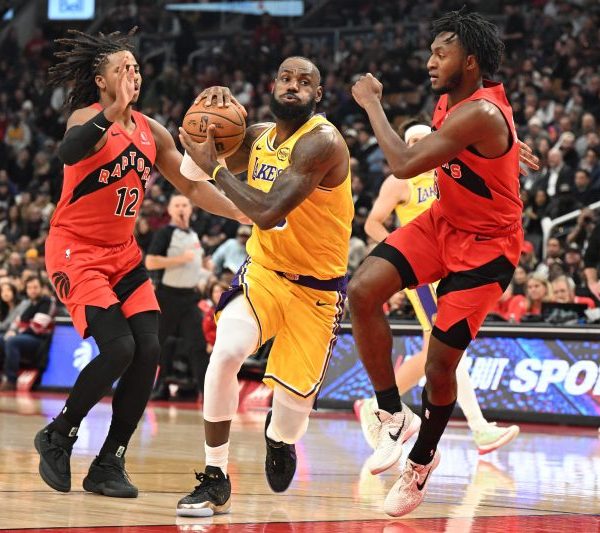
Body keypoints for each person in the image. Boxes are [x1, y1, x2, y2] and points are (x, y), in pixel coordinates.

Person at [35, 29, 245, 498]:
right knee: (119, 349)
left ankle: (109, 461)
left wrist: (241, 211)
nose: (133, 74)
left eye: (135, 67)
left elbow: (191, 186)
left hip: (123, 255)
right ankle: (59, 433)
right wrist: (112, 111)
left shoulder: (153, 131)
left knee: (148, 351)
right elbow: (67, 152)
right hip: (76, 251)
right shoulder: (86, 118)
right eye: (122, 68)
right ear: (101, 80)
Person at [348, 11, 525, 516]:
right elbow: (479, 143)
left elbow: (404, 164)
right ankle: (392, 413)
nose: (429, 61)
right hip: (441, 222)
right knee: (361, 291)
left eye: (440, 53)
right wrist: (512, 150)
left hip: (487, 249)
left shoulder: (480, 112)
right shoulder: (453, 100)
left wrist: (372, 103)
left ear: (470, 62)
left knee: (439, 365)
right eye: (431, 52)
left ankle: (422, 461)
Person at [175, 56, 353, 516]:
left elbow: (269, 212)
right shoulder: (254, 136)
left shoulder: (322, 142)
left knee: (291, 418)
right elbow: (192, 172)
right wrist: (203, 124)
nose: (293, 86)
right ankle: (215, 477)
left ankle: (279, 436)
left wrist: (217, 169)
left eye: (304, 82)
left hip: (318, 291)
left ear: (318, 95)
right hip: (265, 273)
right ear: (273, 86)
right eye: (285, 78)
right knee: (226, 353)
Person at [355, 121, 519, 456]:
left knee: (442, 348)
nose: (417, 144)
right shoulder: (400, 180)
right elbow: (372, 222)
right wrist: (400, 254)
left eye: (423, 139)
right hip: (422, 267)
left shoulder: (448, 172)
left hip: (455, 261)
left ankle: (375, 404)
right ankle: (478, 427)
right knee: (443, 346)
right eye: (411, 140)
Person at [145, 194, 208, 401]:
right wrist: (180, 259)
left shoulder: (194, 234)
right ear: (170, 210)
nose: (181, 208)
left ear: (190, 209)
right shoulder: (165, 233)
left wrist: (204, 267)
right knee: (158, 345)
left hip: (190, 297)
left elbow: (195, 263)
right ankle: (153, 387)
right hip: (167, 296)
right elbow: (150, 262)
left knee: (198, 345)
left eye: (184, 205)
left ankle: (206, 393)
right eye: (177, 205)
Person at [0, 276, 55, 391]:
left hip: (39, 341)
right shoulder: (29, 304)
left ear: (41, 288)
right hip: (25, 336)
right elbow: (17, 321)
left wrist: (16, 333)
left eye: (35, 287)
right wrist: (12, 331)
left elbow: (37, 327)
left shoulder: (48, 302)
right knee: (2, 339)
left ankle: (11, 380)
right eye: (29, 288)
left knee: (12, 341)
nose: (32, 290)